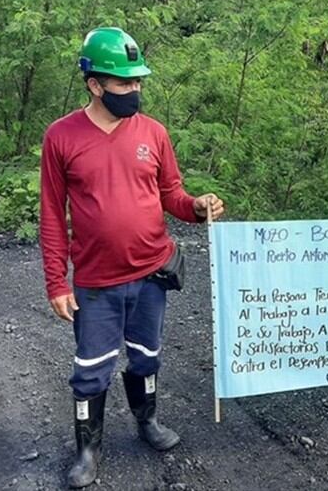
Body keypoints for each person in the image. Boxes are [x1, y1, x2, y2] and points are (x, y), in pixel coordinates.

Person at [39, 27, 225, 487]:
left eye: (138, 81)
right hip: (97, 282)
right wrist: (56, 283)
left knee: (146, 356)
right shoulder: (61, 137)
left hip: (151, 273)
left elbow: (172, 194)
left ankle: (147, 422)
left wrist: (197, 208)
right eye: (124, 83)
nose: (134, 89)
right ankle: (88, 449)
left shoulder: (154, 132)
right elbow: (50, 214)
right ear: (94, 84)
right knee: (90, 369)